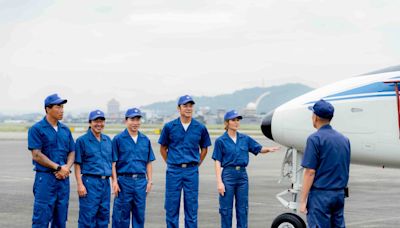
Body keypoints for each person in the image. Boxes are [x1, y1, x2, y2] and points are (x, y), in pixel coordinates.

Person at [212, 110, 279, 228]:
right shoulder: (220, 141)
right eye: (233, 120)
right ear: (227, 123)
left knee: (243, 209)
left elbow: (258, 148)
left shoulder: (245, 139)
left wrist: (268, 149)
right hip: (228, 175)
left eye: (238, 120)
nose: (236, 122)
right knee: (226, 209)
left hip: (242, 176)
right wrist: (219, 182)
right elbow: (217, 162)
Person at [158, 95, 212, 228]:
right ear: (179, 108)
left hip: (191, 171)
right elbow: (163, 148)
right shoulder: (169, 127)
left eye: (190, 106)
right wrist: (171, 162)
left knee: (192, 207)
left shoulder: (200, 127)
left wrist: (197, 163)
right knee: (171, 207)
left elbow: (204, 148)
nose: (188, 108)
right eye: (185, 106)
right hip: (174, 171)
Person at [300, 99, 351, 228]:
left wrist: (303, 200)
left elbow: (310, 172)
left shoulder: (314, 139)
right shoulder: (344, 140)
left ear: (315, 117)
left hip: (321, 196)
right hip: (339, 194)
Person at [27, 93, 75, 228]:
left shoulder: (65, 130)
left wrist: (66, 167)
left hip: (63, 180)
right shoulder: (37, 129)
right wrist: (58, 168)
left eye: (63, 107)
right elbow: (36, 154)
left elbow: (72, 151)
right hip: (46, 180)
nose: (62, 110)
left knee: (60, 220)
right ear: (47, 109)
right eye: (58, 107)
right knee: (41, 219)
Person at [111, 108, 155, 228]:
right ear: (126, 121)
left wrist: (149, 180)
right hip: (124, 181)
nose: (135, 122)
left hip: (141, 182)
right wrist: (114, 181)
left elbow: (148, 162)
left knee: (139, 216)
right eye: (132, 119)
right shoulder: (118, 139)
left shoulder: (145, 140)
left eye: (138, 119)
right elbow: (113, 163)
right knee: (121, 217)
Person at [74, 110, 114, 228]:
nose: (99, 124)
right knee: (88, 217)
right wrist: (80, 185)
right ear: (90, 122)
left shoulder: (107, 140)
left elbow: (111, 163)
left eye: (101, 121)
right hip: (90, 182)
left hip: (105, 183)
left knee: (103, 216)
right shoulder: (82, 140)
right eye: (96, 121)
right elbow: (77, 165)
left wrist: (114, 181)